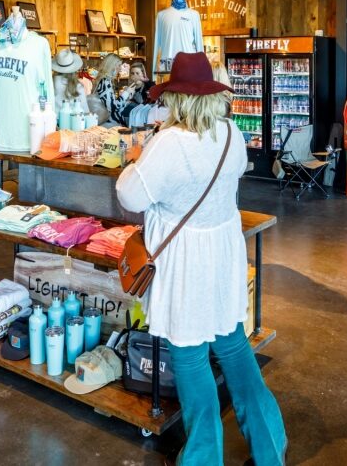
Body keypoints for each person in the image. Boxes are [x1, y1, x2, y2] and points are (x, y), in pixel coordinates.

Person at [116, 52, 287, 465]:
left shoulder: (168, 143)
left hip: (184, 261)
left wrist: (137, 160)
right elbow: (235, 173)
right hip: (223, 251)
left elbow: (129, 195)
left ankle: (203, 457)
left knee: (190, 356)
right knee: (233, 346)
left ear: (176, 98)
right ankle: (269, 445)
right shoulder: (230, 133)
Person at [94, 53, 134, 124]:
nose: (120, 68)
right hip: (109, 123)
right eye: (119, 65)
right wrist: (126, 93)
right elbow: (112, 108)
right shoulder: (105, 82)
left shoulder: (105, 81)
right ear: (112, 66)